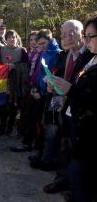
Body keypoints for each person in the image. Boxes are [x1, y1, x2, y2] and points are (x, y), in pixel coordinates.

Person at [50, 17, 97, 202]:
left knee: (79, 169)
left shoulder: (87, 55)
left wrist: (70, 89)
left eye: (89, 36)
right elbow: (71, 79)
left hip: (88, 127)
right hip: (71, 114)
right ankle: (66, 184)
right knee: (66, 153)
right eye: (62, 34)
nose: (66, 38)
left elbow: (82, 90)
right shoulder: (85, 57)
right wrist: (54, 85)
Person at [0, 30, 29, 136]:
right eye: (9, 37)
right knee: (2, 105)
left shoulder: (22, 51)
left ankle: (10, 126)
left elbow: (26, 66)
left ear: (17, 38)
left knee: (13, 106)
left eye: (13, 37)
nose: (11, 39)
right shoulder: (1, 50)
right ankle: (2, 126)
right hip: (3, 82)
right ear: (5, 39)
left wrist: (15, 66)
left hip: (16, 83)